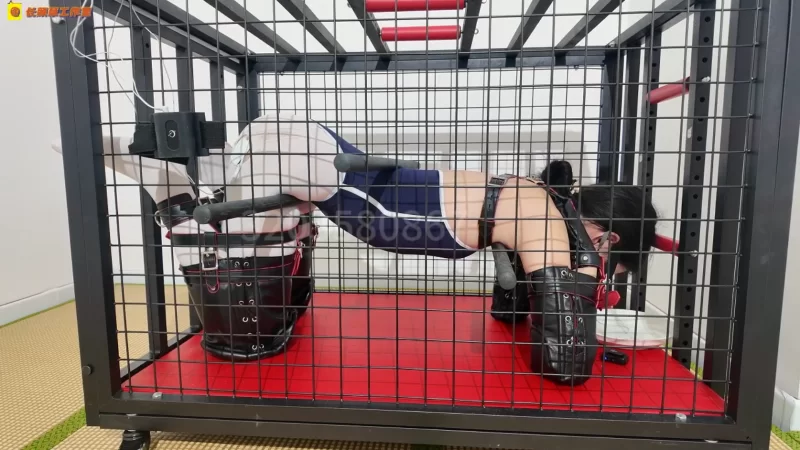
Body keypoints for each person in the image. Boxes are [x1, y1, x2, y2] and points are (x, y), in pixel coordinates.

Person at [228, 112, 660, 385]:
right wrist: (586, 268)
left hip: (310, 149)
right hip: (307, 157)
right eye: (610, 267)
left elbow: (510, 312)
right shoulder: (544, 215)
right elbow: (565, 365)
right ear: (607, 240)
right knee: (233, 242)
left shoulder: (540, 198)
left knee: (268, 236)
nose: (601, 274)